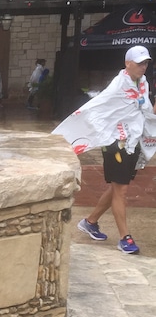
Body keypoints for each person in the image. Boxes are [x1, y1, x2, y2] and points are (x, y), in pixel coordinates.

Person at [53, 45, 156, 255]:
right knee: (122, 190)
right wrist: (101, 134)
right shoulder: (119, 86)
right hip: (116, 144)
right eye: (139, 63)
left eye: (146, 63)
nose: (143, 67)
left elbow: (144, 113)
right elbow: (97, 108)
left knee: (119, 187)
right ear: (128, 64)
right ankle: (125, 238)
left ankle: (90, 222)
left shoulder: (142, 85)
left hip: (132, 142)